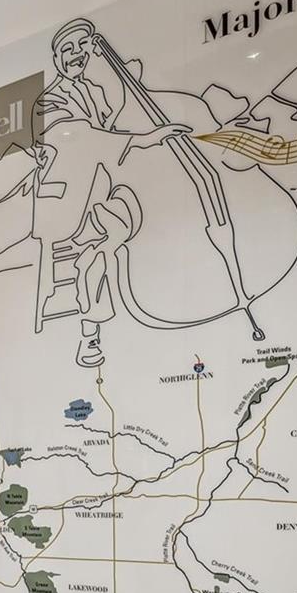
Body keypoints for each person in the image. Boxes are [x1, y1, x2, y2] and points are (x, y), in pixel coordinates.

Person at [31, 19, 189, 367]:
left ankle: (119, 302)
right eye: (68, 50)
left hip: (101, 187)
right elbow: (79, 138)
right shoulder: (48, 101)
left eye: (82, 47)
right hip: (69, 198)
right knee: (101, 241)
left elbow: (111, 129)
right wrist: (143, 139)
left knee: (129, 221)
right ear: (57, 58)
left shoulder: (97, 92)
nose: (76, 56)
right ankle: (90, 333)